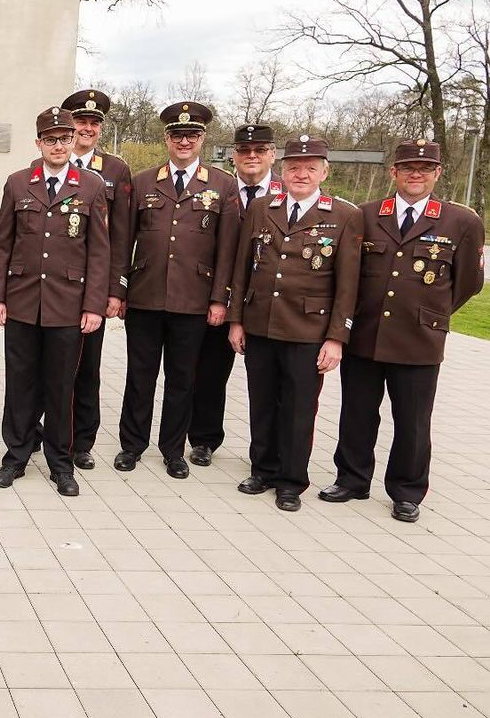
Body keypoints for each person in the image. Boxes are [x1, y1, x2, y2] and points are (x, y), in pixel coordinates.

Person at [323, 138, 484, 522]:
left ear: (437, 173)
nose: (416, 175)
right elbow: (349, 274)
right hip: (367, 333)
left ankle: (407, 491)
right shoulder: (366, 214)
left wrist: (430, 312)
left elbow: (468, 283)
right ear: (394, 172)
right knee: (357, 413)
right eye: (408, 168)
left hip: (418, 339)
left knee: (412, 421)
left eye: (425, 169)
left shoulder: (461, 221)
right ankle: (352, 479)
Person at [227, 136, 362, 512]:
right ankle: (263, 469)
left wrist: (337, 338)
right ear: (282, 170)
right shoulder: (261, 207)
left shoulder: (343, 215)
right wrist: (236, 320)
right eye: (294, 167)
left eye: (310, 168)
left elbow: (348, 285)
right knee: (262, 403)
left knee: (299, 409)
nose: (301, 174)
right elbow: (242, 268)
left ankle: (290, 481)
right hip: (260, 323)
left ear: (324, 172)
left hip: (308, 330)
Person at [114, 101, 239, 479]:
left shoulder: (222, 184)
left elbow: (227, 248)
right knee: (140, 376)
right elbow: (123, 241)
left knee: (182, 380)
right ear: (166, 138)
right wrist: (119, 291)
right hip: (146, 295)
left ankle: (173, 450)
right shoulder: (142, 181)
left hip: (193, 299)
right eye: (177, 135)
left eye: (192, 135)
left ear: (203, 138)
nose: (184, 141)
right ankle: (132, 445)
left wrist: (219, 299)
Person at [0, 107, 109, 495]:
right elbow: (2, 244)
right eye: (51, 139)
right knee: (19, 384)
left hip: (68, 304)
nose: (58, 146)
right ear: (38, 143)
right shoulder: (18, 183)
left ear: (73, 141)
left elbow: (99, 252)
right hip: (23, 301)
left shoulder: (90, 186)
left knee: (61, 387)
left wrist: (93, 305)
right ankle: (16, 456)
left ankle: (61, 463)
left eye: (64, 139)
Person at [189, 123, 283, 467]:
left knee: (271, 382)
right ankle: (204, 438)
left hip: (270, 301)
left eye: (260, 150)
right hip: (222, 296)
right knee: (210, 372)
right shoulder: (218, 189)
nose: (252, 156)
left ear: (272, 154)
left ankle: (270, 454)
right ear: (234, 155)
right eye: (244, 151)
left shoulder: (291, 191)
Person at [58, 88, 132, 470]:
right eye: (80, 121)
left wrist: (115, 290)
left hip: (93, 287)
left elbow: (120, 235)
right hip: (52, 286)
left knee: (87, 368)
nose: (87, 128)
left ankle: (82, 441)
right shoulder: (48, 161)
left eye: (93, 122)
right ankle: (45, 432)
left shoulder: (115, 170)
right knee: (48, 365)